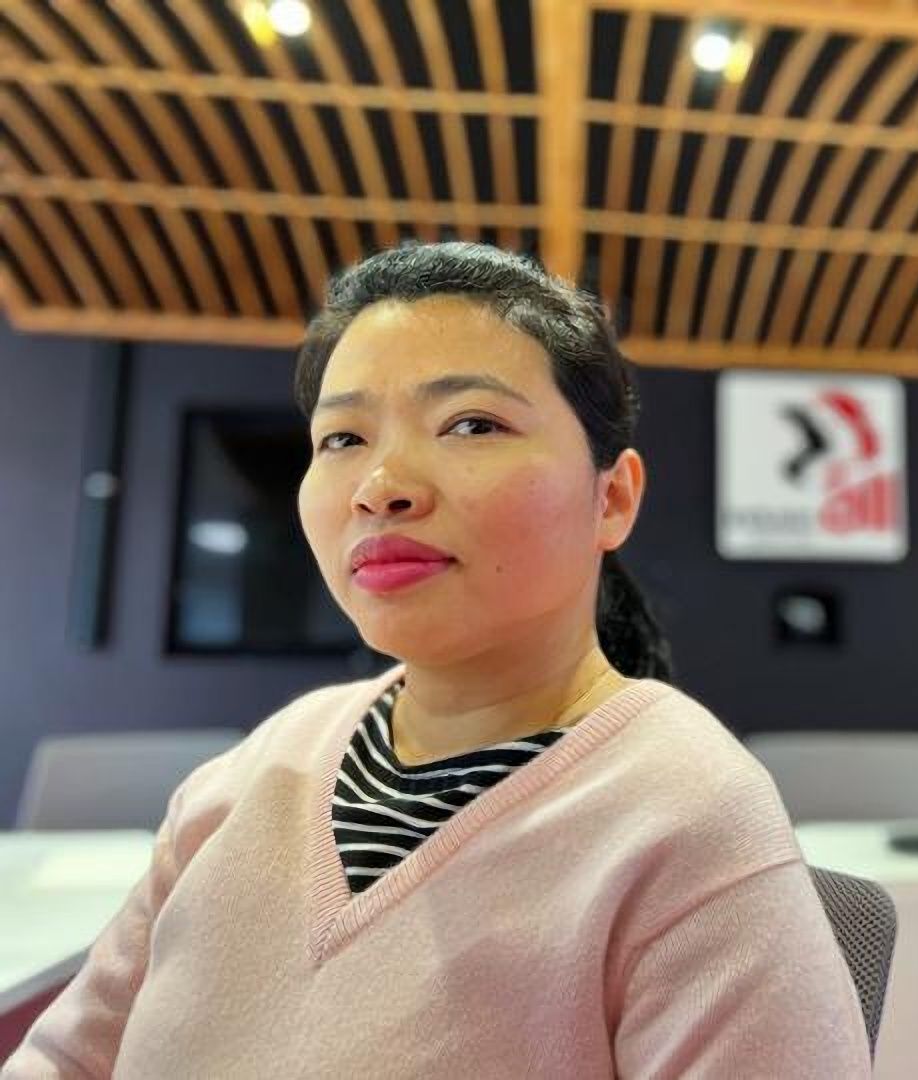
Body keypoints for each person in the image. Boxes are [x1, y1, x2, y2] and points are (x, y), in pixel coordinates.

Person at [3, 242, 872, 1078]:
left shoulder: (689, 819)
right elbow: (69, 1060)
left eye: (472, 423)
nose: (381, 485)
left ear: (611, 497)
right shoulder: (256, 770)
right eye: (342, 438)